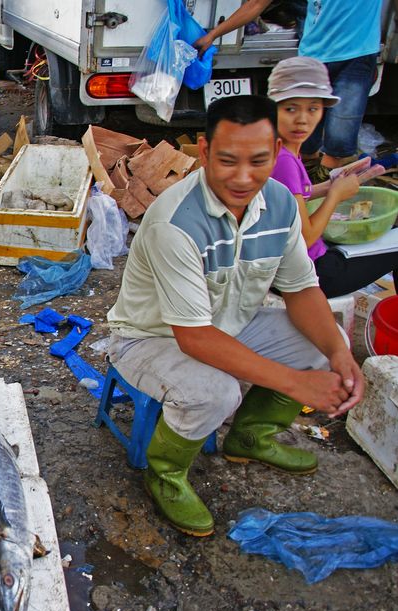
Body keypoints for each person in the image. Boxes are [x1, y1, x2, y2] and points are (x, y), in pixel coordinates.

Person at [106, 95, 363, 538]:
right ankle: (164, 473)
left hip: (229, 324)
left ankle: (251, 437)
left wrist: (340, 354)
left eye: (259, 161)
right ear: (203, 151)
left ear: (277, 153)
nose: (243, 178)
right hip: (150, 339)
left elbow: (302, 289)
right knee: (215, 392)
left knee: (319, 343)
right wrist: (297, 385)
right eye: (227, 160)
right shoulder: (176, 222)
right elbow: (195, 340)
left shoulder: (281, 205)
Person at [194, 0, 396, 181]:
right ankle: (303, 188)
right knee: (303, 141)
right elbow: (256, 4)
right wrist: (213, 35)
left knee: (339, 140)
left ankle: (318, 195)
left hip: (357, 59)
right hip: (313, 59)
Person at [267, 56, 398, 298]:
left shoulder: (281, 150)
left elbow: (291, 197)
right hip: (311, 274)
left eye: (313, 109)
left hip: (289, 269)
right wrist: (336, 196)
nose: (302, 119)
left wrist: (329, 185)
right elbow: (304, 240)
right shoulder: (284, 161)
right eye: (290, 108)